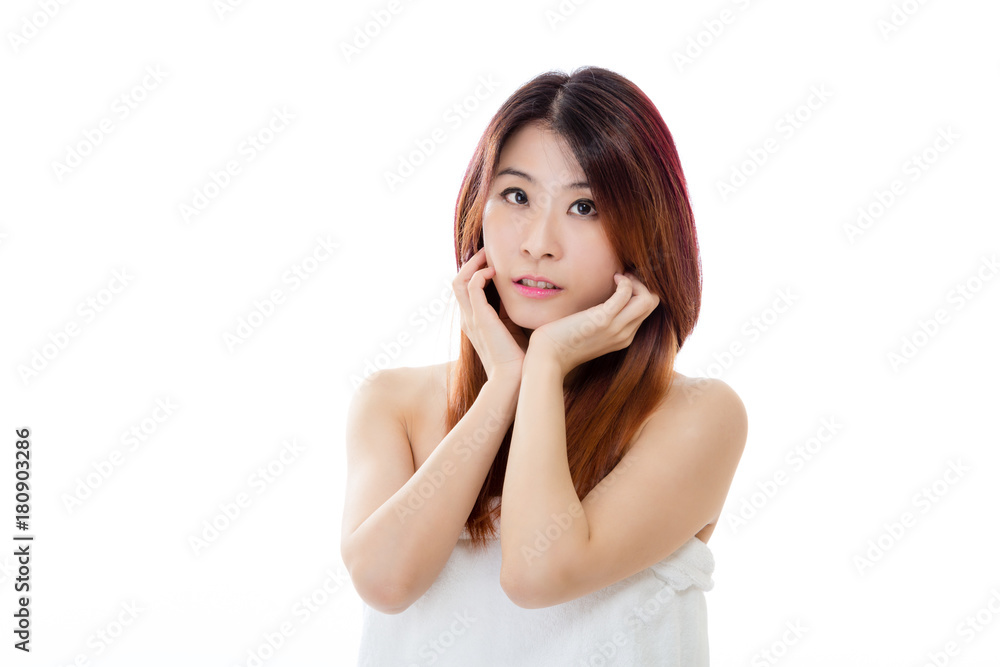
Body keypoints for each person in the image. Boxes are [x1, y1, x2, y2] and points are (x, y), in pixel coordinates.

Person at [341, 65, 748, 666]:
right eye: (516, 196)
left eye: (584, 206)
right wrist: (504, 383)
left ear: (645, 230)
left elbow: (538, 574)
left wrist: (547, 364)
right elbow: (385, 583)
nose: (538, 242)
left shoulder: (695, 415)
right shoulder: (393, 403)